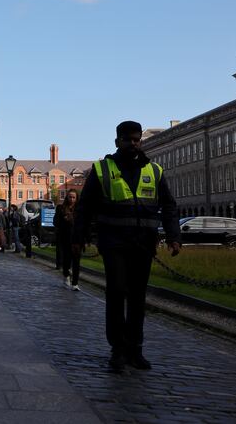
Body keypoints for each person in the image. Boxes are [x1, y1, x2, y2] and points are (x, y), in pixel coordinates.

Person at [72, 120, 180, 371]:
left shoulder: (154, 170)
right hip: (114, 241)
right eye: (128, 139)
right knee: (117, 291)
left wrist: (174, 235)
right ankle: (118, 350)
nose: (133, 144)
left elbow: (169, 205)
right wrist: (78, 238)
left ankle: (135, 349)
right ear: (117, 142)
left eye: (136, 139)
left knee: (137, 297)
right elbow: (85, 207)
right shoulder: (101, 169)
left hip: (143, 243)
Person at [55, 189, 80, 290]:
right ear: (67, 197)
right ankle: (66, 275)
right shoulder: (61, 208)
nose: (72, 199)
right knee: (66, 259)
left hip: (77, 238)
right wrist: (63, 220)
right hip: (65, 237)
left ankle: (75, 283)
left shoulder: (79, 209)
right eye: (70, 197)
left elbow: (83, 223)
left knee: (76, 261)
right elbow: (56, 222)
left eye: (74, 197)